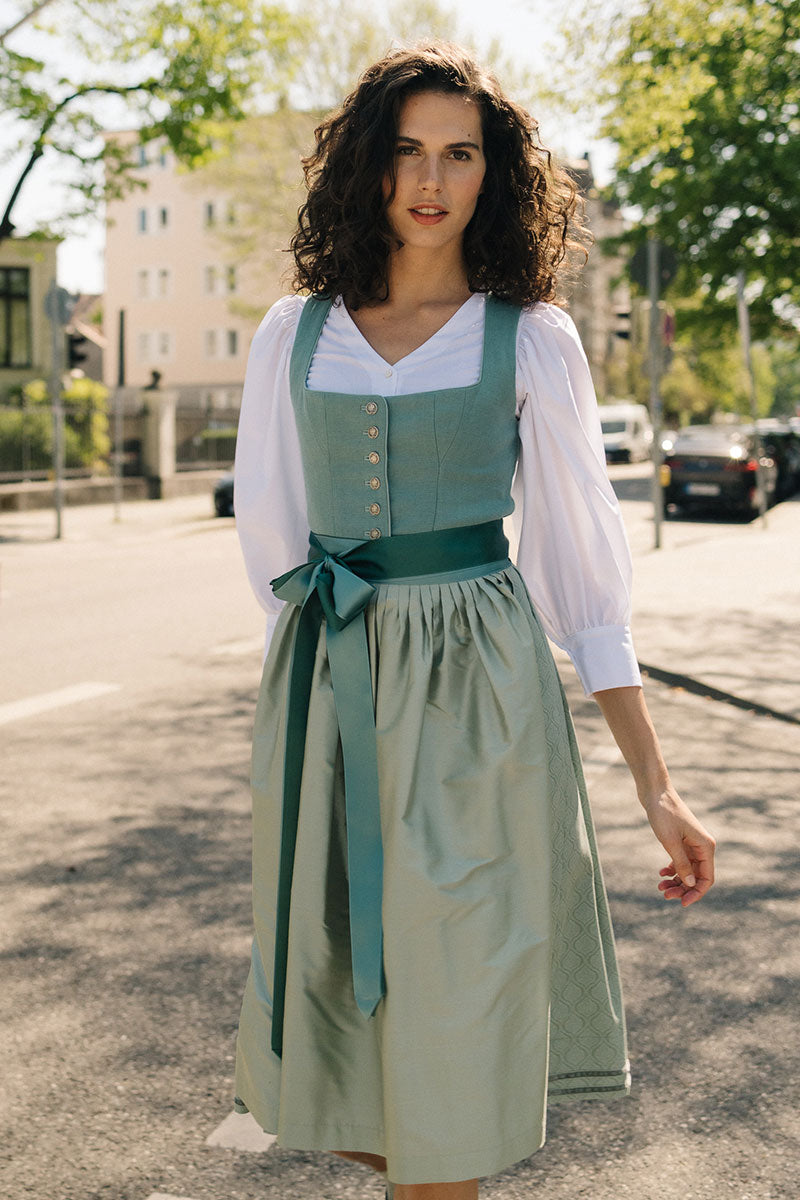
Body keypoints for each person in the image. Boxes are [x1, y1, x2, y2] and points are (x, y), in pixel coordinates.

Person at [231, 42, 716, 1200]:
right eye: (404, 151)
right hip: (332, 687)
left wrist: (653, 783)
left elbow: (578, 570)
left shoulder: (528, 336)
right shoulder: (290, 333)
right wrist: (297, 735)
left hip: (478, 707)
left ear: (493, 176)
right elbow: (275, 549)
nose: (430, 180)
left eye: (458, 153)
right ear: (367, 166)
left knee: (453, 1026)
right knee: (348, 1041)